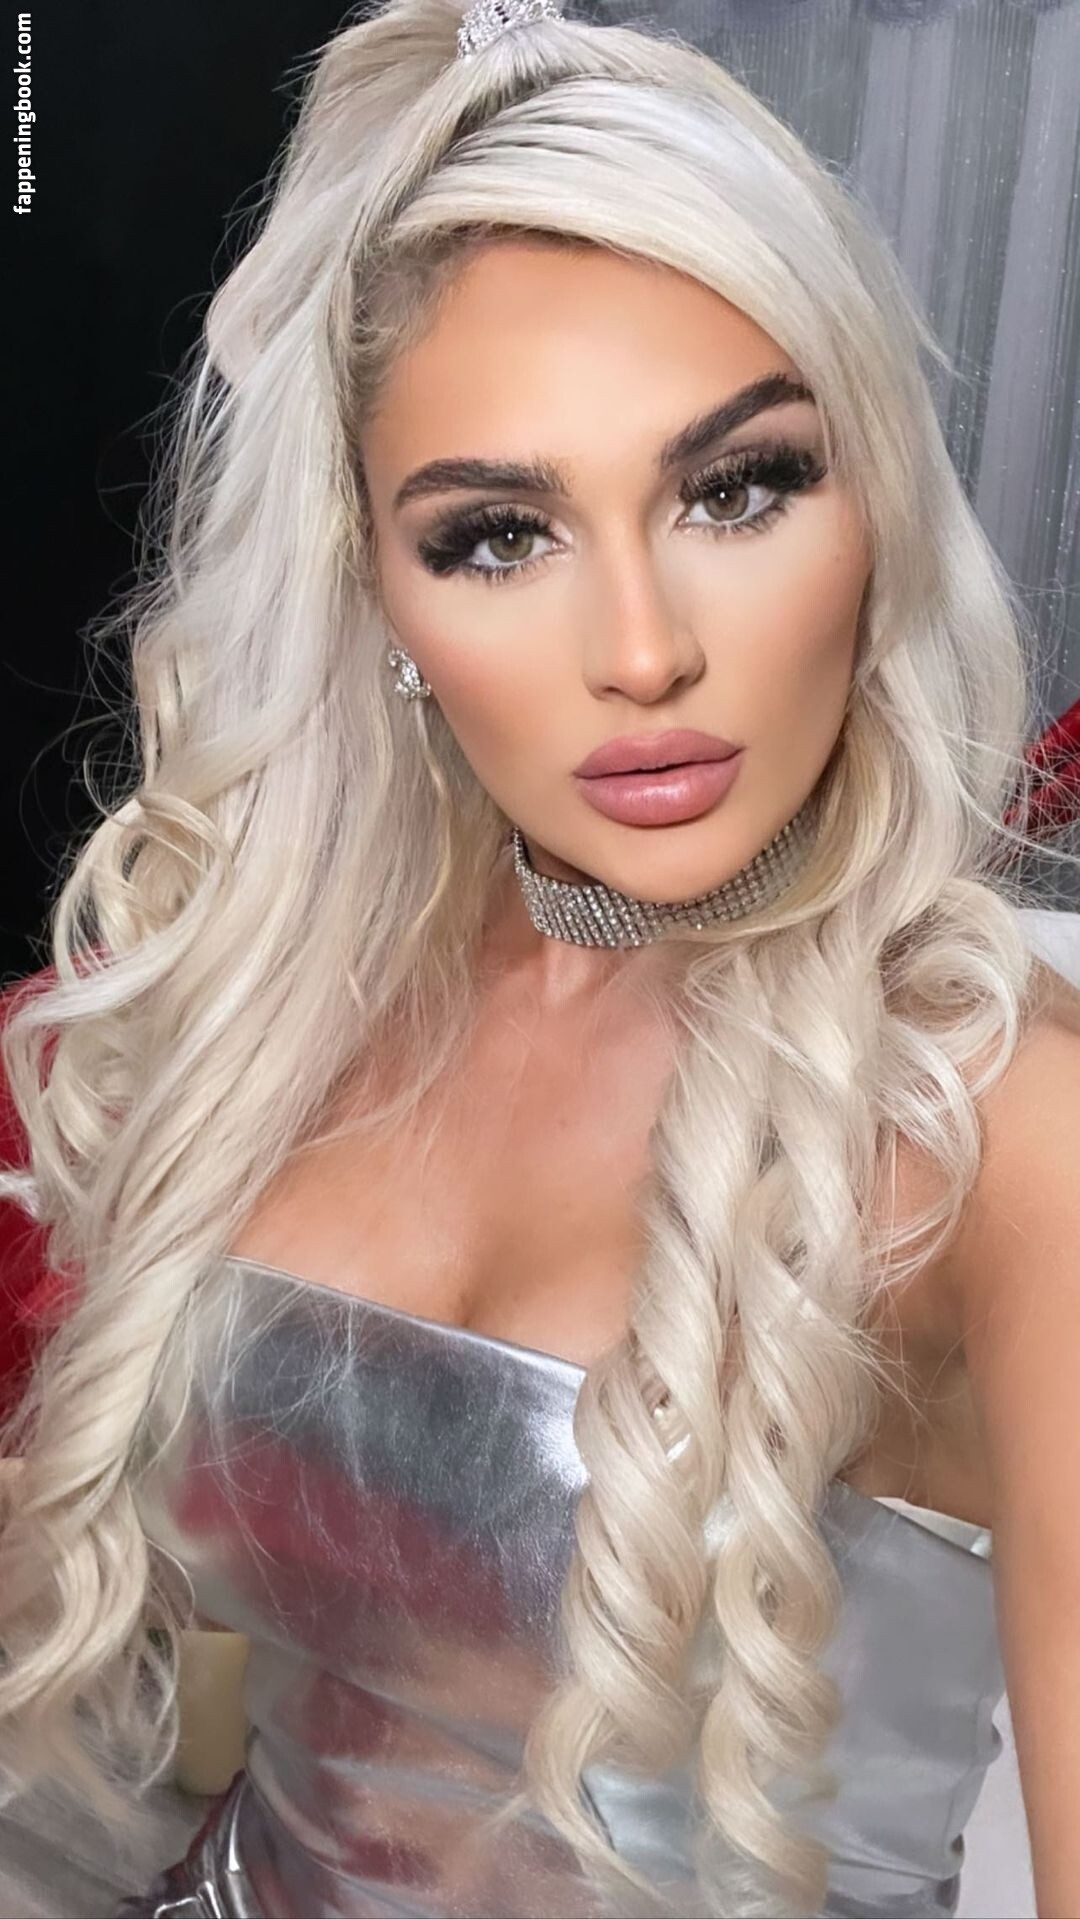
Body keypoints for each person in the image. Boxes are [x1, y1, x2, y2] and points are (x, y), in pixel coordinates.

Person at [0, 1, 1078, 1915]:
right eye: (500, 535)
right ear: (378, 594)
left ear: (879, 508)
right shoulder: (300, 1001)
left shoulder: (1012, 1141)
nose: (644, 648)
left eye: (738, 488)